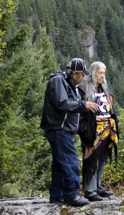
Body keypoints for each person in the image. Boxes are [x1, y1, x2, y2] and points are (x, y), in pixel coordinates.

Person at [41, 58, 98, 206]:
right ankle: (71, 195)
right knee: (70, 161)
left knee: (59, 164)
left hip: (63, 129)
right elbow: (62, 103)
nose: (83, 78)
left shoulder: (71, 85)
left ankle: (56, 196)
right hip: (59, 128)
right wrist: (83, 105)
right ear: (75, 73)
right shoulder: (58, 81)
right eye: (82, 75)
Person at [78, 61, 119, 201]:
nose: (102, 76)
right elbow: (81, 109)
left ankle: (97, 186)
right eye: (100, 73)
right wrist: (83, 129)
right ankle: (89, 189)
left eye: (104, 73)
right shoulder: (84, 87)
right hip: (92, 129)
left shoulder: (103, 87)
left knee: (102, 158)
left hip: (107, 128)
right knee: (91, 158)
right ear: (93, 72)